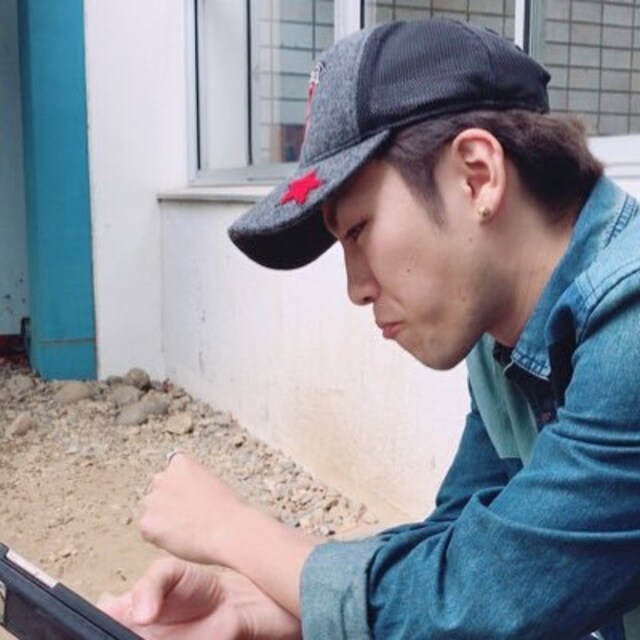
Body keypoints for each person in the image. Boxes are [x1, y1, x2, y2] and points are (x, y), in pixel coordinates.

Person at [102, 17, 640, 639]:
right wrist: (256, 606)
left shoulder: (629, 326)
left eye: (358, 230)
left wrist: (231, 529)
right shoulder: (501, 341)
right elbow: (455, 544)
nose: (355, 288)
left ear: (476, 176)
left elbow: (475, 598)